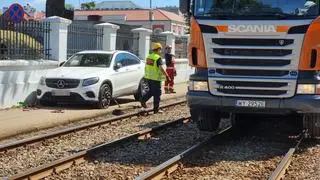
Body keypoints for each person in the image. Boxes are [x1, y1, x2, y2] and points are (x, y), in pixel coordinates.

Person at [140, 42, 170, 114]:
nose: (161, 51)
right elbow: (161, 68)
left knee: (151, 91)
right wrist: (167, 76)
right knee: (157, 93)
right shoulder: (158, 58)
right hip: (156, 79)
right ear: (158, 49)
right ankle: (156, 109)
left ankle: (143, 100)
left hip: (148, 77)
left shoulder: (149, 57)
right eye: (160, 49)